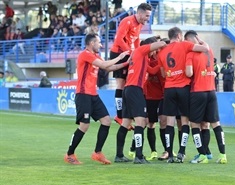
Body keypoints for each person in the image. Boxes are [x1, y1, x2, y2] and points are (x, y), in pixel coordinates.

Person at [64, 33, 130, 165]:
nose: (100, 45)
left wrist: (126, 64)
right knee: (84, 125)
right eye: (99, 42)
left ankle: (97, 153)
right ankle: (70, 154)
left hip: (93, 94)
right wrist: (121, 56)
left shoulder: (95, 56)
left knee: (106, 121)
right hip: (83, 94)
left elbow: (109, 67)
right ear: (91, 43)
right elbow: (105, 65)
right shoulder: (85, 54)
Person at [157, 27, 209, 163]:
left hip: (168, 88)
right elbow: (204, 49)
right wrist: (201, 42)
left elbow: (163, 74)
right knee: (185, 121)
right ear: (179, 35)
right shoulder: (185, 45)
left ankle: (169, 154)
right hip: (183, 87)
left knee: (170, 122)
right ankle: (181, 152)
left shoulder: (162, 52)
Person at [114, 36, 166, 164]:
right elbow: (160, 44)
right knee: (141, 122)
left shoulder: (141, 57)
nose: (154, 52)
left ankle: (119, 155)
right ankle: (138, 156)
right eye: (153, 48)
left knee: (125, 123)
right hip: (135, 90)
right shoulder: (141, 50)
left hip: (128, 89)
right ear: (148, 45)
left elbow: (153, 71)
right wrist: (165, 44)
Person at [185, 31, 227, 164]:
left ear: (189, 40)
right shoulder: (209, 51)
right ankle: (222, 155)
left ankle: (202, 155)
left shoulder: (190, 54)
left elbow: (189, 73)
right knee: (213, 123)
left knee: (195, 124)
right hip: (211, 92)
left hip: (198, 91)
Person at [109, 3, 152, 126]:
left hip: (129, 53)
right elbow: (118, 40)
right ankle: (119, 115)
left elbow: (136, 39)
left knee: (130, 83)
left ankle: (127, 114)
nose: (148, 19)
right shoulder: (127, 21)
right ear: (139, 13)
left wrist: (138, 52)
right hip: (119, 53)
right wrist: (131, 53)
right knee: (121, 83)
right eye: (147, 16)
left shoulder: (138, 24)